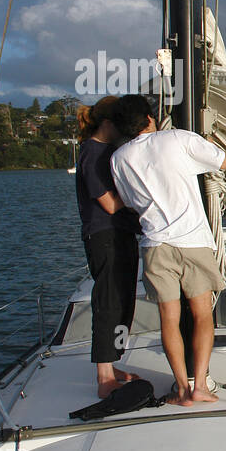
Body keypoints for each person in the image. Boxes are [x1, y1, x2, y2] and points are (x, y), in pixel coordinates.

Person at [110, 94, 226, 406]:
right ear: (151, 118)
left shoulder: (119, 158)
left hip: (155, 244)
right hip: (193, 241)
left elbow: (125, 201)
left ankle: (181, 389)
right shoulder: (178, 139)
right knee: (203, 315)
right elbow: (225, 163)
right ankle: (201, 385)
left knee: (169, 319)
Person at [74, 96, 142, 398]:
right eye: (120, 124)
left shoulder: (110, 151)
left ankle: (112, 363)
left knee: (124, 303)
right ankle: (104, 376)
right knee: (109, 302)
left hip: (121, 235)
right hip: (104, 236)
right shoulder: (93, 152)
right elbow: (109, 203)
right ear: (107, 123)